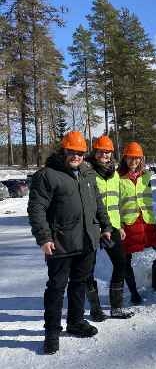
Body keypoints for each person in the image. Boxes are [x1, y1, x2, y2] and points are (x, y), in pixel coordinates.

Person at [28, 131, 113, 355]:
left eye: (80, 153)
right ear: (63, 150)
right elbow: (37, 209)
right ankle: (52, 333)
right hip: (60, 242)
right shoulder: (47, 175)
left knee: (80, 283)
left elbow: (98, 203)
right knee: (56, 288)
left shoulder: (88, 173)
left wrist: (105, 227)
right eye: (72, 152)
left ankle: (75, 323)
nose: (76, 156)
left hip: (86, 240)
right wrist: (44, 238)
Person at [85, 136, 134, 320]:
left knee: (121, 263)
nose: (104, 155)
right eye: (101, 151)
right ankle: (96, 308)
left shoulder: (114, 174)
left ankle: (116, 307)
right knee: (88, 268)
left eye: (108, 152)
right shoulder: (87, 172)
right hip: (91, 227)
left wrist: (119, 224)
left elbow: (117, 202)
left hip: (111, 226)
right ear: (95, 153)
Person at [118, 142, 156, 304]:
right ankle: (134, 292)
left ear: (141, 159)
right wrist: (118, 225)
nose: (134, 161)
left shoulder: (146, 176)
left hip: (147, 221)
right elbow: (113, 203)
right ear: (125, 158)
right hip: (128, 223)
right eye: (130, 157)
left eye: (137, 158)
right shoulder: (117, 178)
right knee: (126, 259)